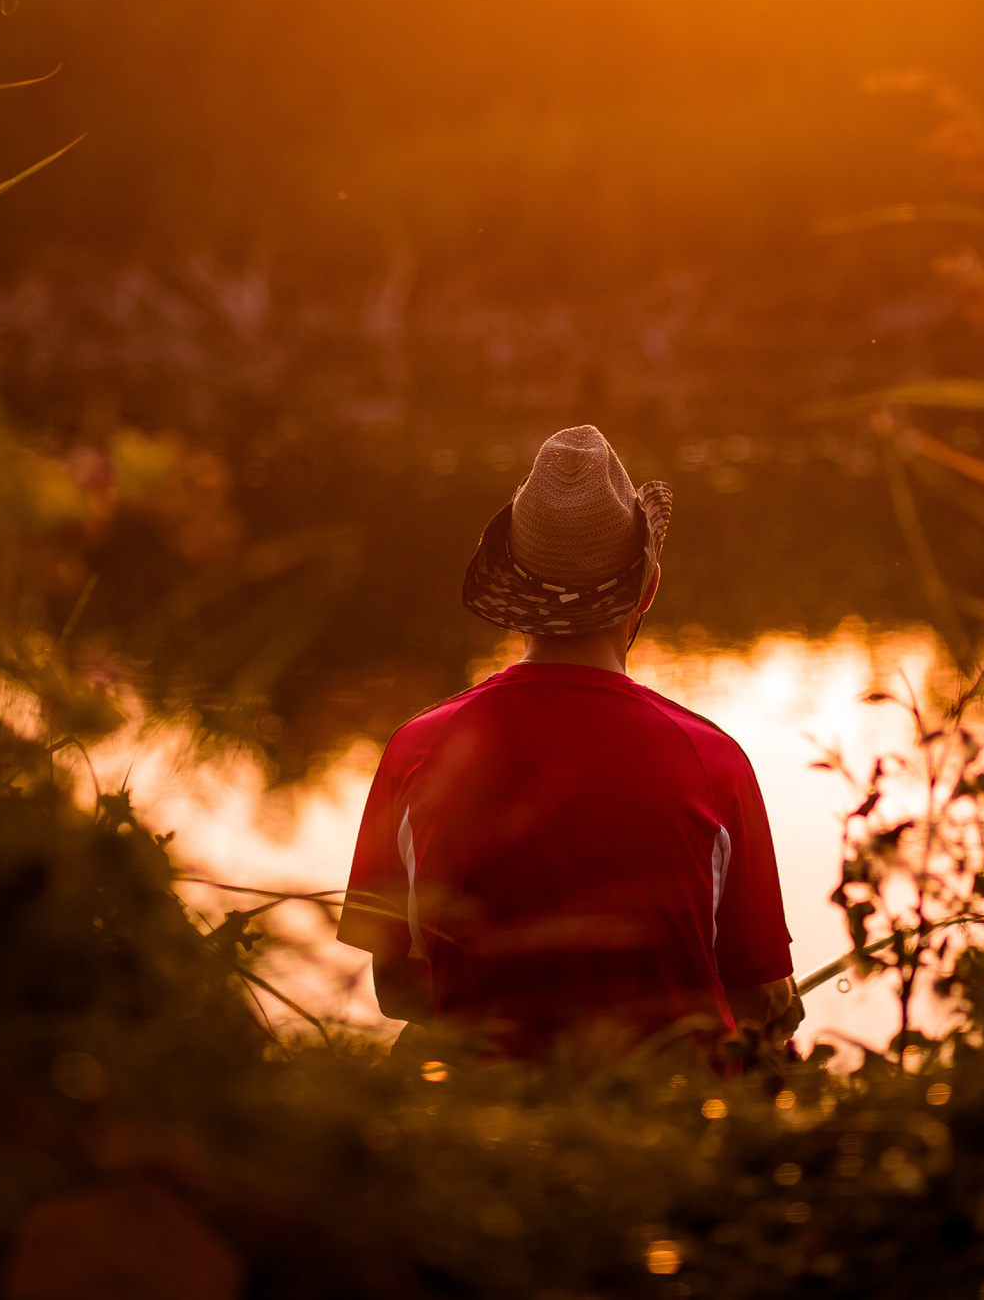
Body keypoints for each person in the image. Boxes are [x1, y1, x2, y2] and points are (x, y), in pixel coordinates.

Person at [339, 425, 800, 1060]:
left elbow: (394, 986)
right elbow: (759, 1003)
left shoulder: (418, 750)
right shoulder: (714, 762)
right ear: (649, 588)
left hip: (481, 1126)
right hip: (672, 1131)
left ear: (513, 588)